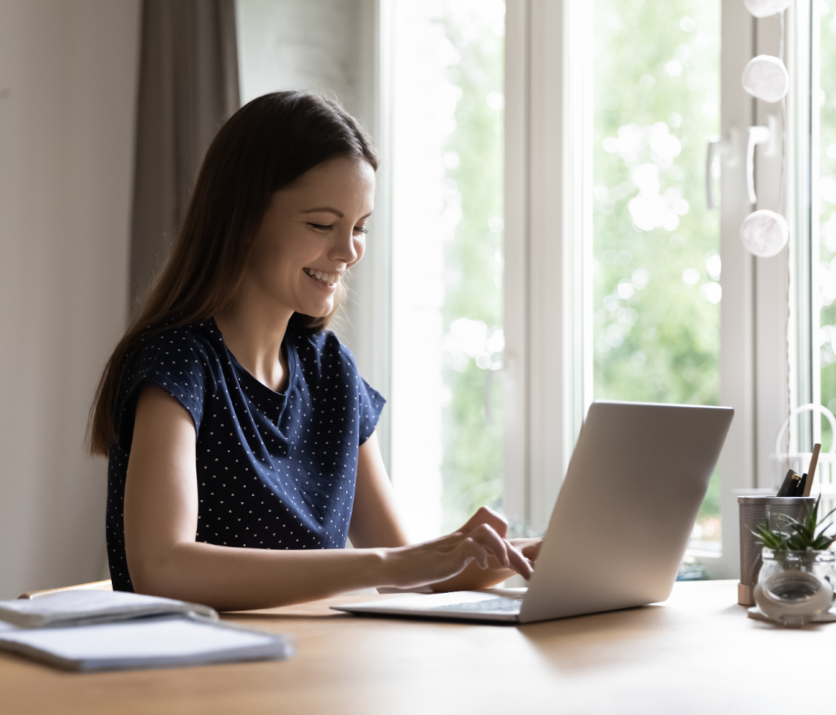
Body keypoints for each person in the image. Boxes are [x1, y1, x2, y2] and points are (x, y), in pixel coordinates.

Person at [89, 91, 540, 612]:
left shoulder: (330, 371)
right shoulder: (178, 364)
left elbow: (411, 570)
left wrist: (544, 555)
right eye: (323, 225)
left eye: (360, 227)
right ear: (243, 217)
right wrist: (390, 566)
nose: (347, 251)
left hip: (311, 675)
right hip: (198, 684)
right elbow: (163, 568)